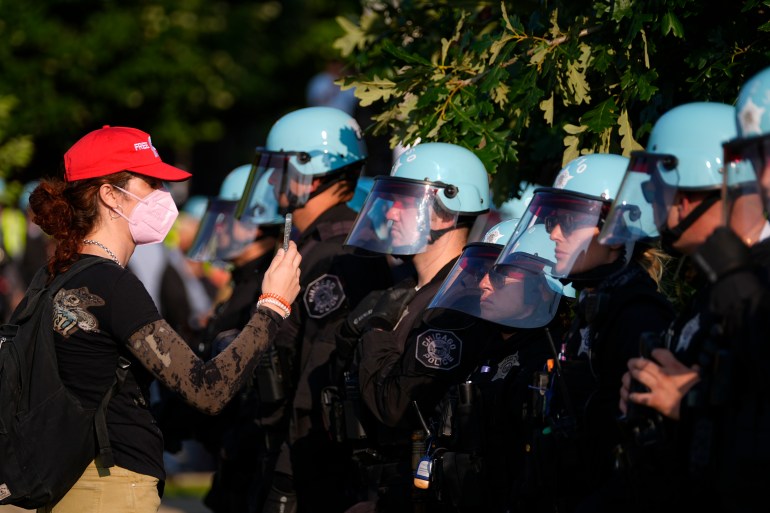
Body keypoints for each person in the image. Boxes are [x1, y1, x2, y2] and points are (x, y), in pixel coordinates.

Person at [26, 125, 301, 513]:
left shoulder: (58, 275)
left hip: (63, 477)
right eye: (152, 182)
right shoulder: (112, 284)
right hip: (108, 488)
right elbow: (207, 389)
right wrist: (272, 306)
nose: (164, 196)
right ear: (109, 195)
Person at [621, 72, 770, 512]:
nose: (756, 177)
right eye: (755, 156)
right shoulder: (723, 280)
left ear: (687, 196)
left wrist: (694, 407)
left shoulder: (748, 280)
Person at [235, 106, 394, 513]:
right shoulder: (315, 245)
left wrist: (288, 477)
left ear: (311, 171)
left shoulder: (340, 255)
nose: (270, 179)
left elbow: (317, 377)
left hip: (314, 471)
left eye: (279, 167)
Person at [498, 153, 675, 512]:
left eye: (569, 220)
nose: (553, 232)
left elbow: (631, 450)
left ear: (617, 232)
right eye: (551, 220)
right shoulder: (594, 307)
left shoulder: (637, 316)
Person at [336, 141, 493, 513]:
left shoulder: (459, 301)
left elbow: (395, 406)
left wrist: (375, 330)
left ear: (443, 213)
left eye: (402, 200)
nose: (388, 213)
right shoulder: (404, 289)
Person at [600, 102, 738, 510]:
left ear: (689, 192)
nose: (651, 205)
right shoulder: (713, 288)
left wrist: (687, 405)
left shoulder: (753, 293)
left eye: (654, 188)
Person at [419, 217, 573, 512]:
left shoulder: (549, 360)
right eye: (482, 272)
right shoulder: (483, 349)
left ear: (543, 287)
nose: (483, 284)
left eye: (500, 275)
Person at [183, 164, 286, 513]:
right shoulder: (241, 283)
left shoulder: (264, 286)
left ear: (258, 222)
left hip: (253, 459)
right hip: (231, 458)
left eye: (230, 217)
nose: (220, 227)